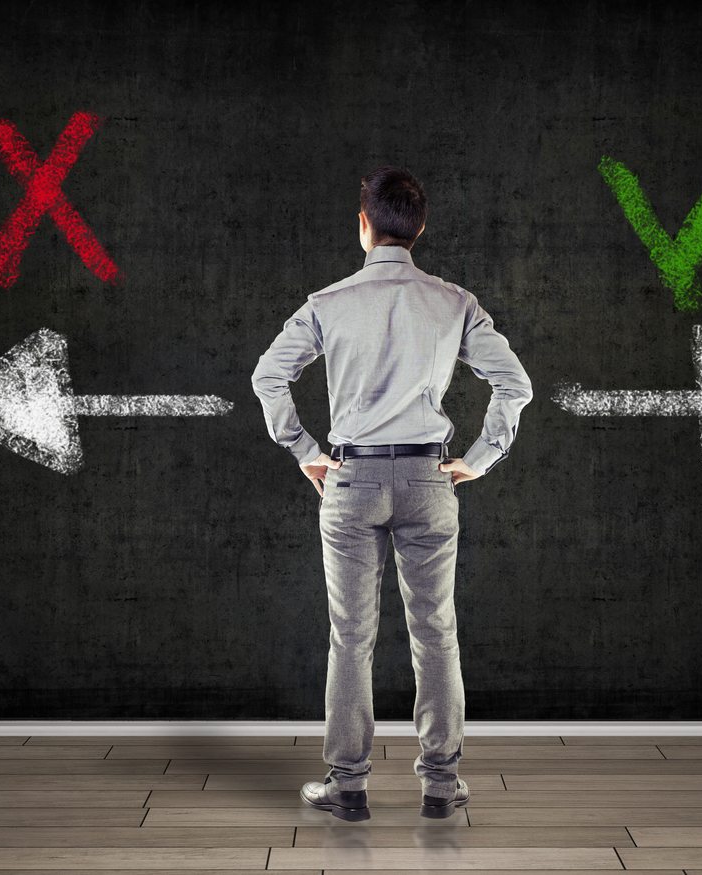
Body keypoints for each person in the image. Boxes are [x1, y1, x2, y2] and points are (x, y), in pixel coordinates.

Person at [251, 165, 533, 821]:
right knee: (436, 632)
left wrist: (305, 450)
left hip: (349, 481)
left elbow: (269, 376)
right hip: (429, 480)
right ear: (419, 228)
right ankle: (440, 785)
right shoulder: (455, 302)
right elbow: (514, 384)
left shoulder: (326, 303)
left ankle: (348, 786)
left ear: (363, 225)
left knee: (350, 637)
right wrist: (480, 458)